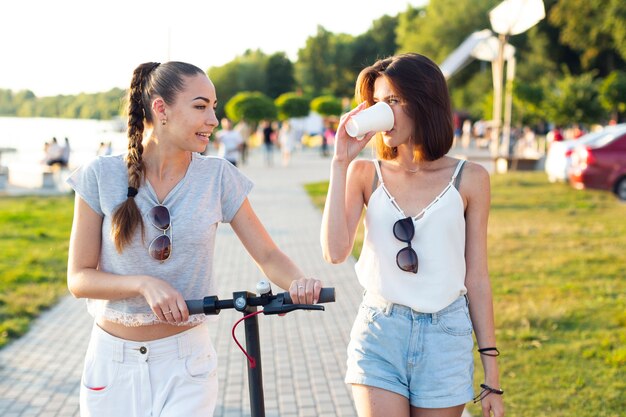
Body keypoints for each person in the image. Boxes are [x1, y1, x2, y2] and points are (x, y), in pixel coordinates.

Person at [66, 61, 322, 417]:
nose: (213, 120)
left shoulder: (218, 176)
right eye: (201, 106)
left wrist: (299, 282)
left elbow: (266, 252)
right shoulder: (100, 175)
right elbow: (79, 279)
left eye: (213, 108)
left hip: (186, 361)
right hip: (112, 364)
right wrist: (143, 284)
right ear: (161, 108)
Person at [320, 53, 504, 417]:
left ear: (424, 102)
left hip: (445, 335)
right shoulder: (363, 173)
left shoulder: (470, 178)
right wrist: (339, 163)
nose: (382, 112)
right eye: (376, 103)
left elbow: (477, 278)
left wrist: (492, 374)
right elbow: (335, 251)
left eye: (393, 101)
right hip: (379, 332)